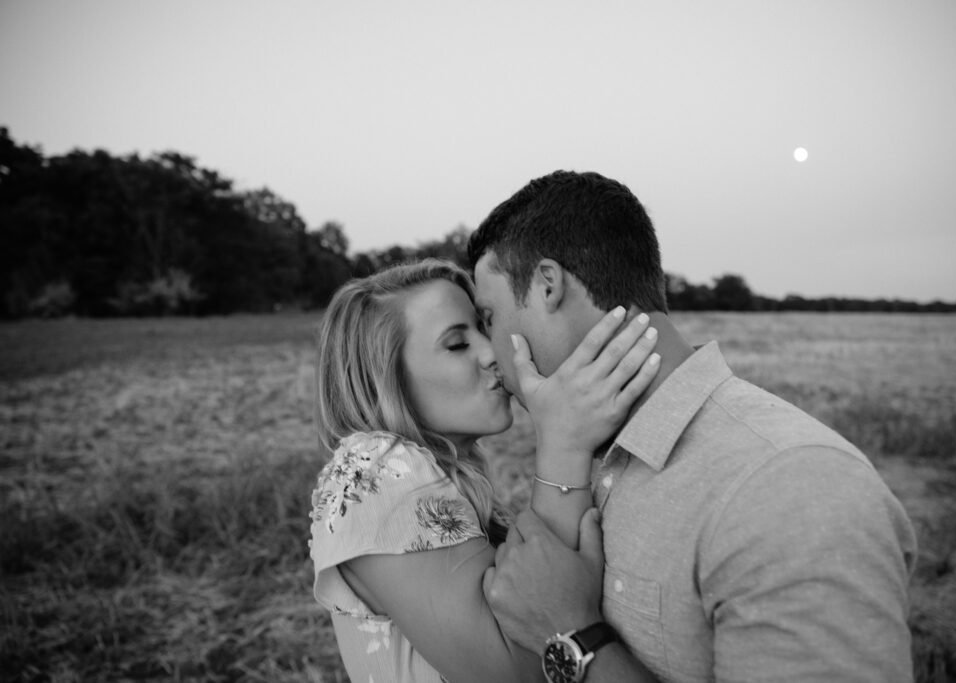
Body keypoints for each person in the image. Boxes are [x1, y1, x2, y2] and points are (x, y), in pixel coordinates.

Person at [471, 170, 919, 683]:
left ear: (547, 286)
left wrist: (570, 638)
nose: (489, 352)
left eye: (489, 317)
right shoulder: (584, 456)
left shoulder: (791, 485)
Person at [308, 258, 662, 682]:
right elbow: (519, 665)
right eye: (457, 344)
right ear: (385, 377)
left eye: (484, 327)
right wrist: (564, 444)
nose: (493, 352)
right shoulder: (375, 468)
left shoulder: (436, 477)